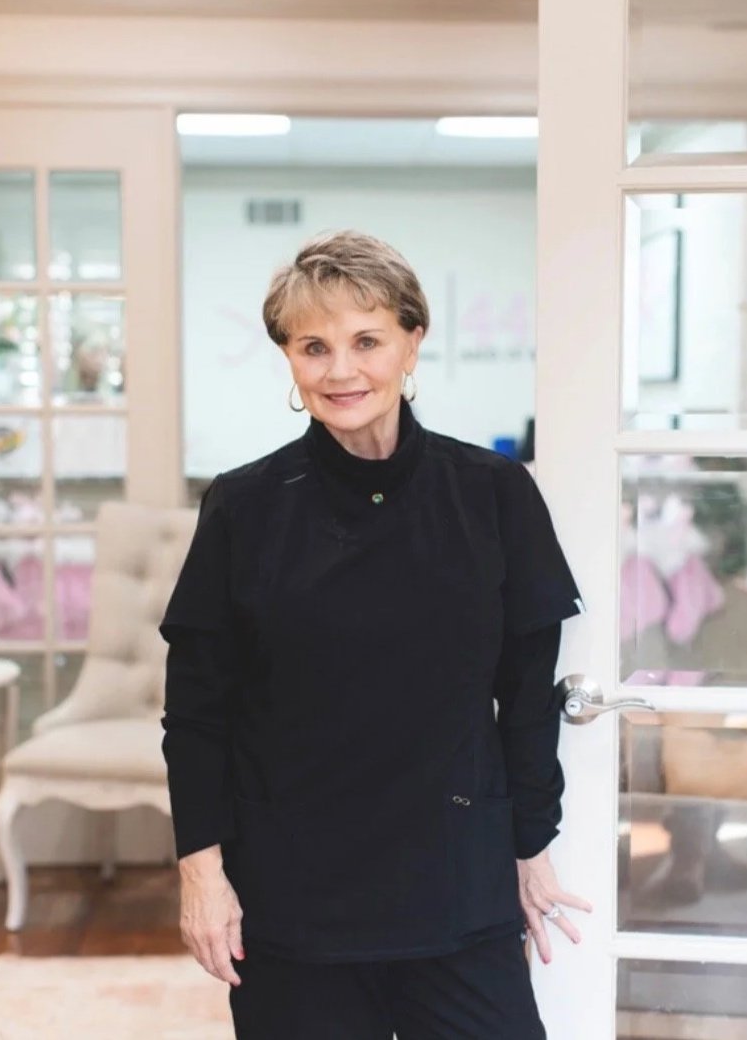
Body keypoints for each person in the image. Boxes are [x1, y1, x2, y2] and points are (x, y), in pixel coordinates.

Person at [159, 229, 593, 1040]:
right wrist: (201, 872)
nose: (340, 370)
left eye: (366, 340)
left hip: (454, 882)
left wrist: (529, 846)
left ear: (411, 342)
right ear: (289, 360)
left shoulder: (493, 494)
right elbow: (196, 714)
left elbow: (527, 698)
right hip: (293, 893)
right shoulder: (243, 508)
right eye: (312, 346)